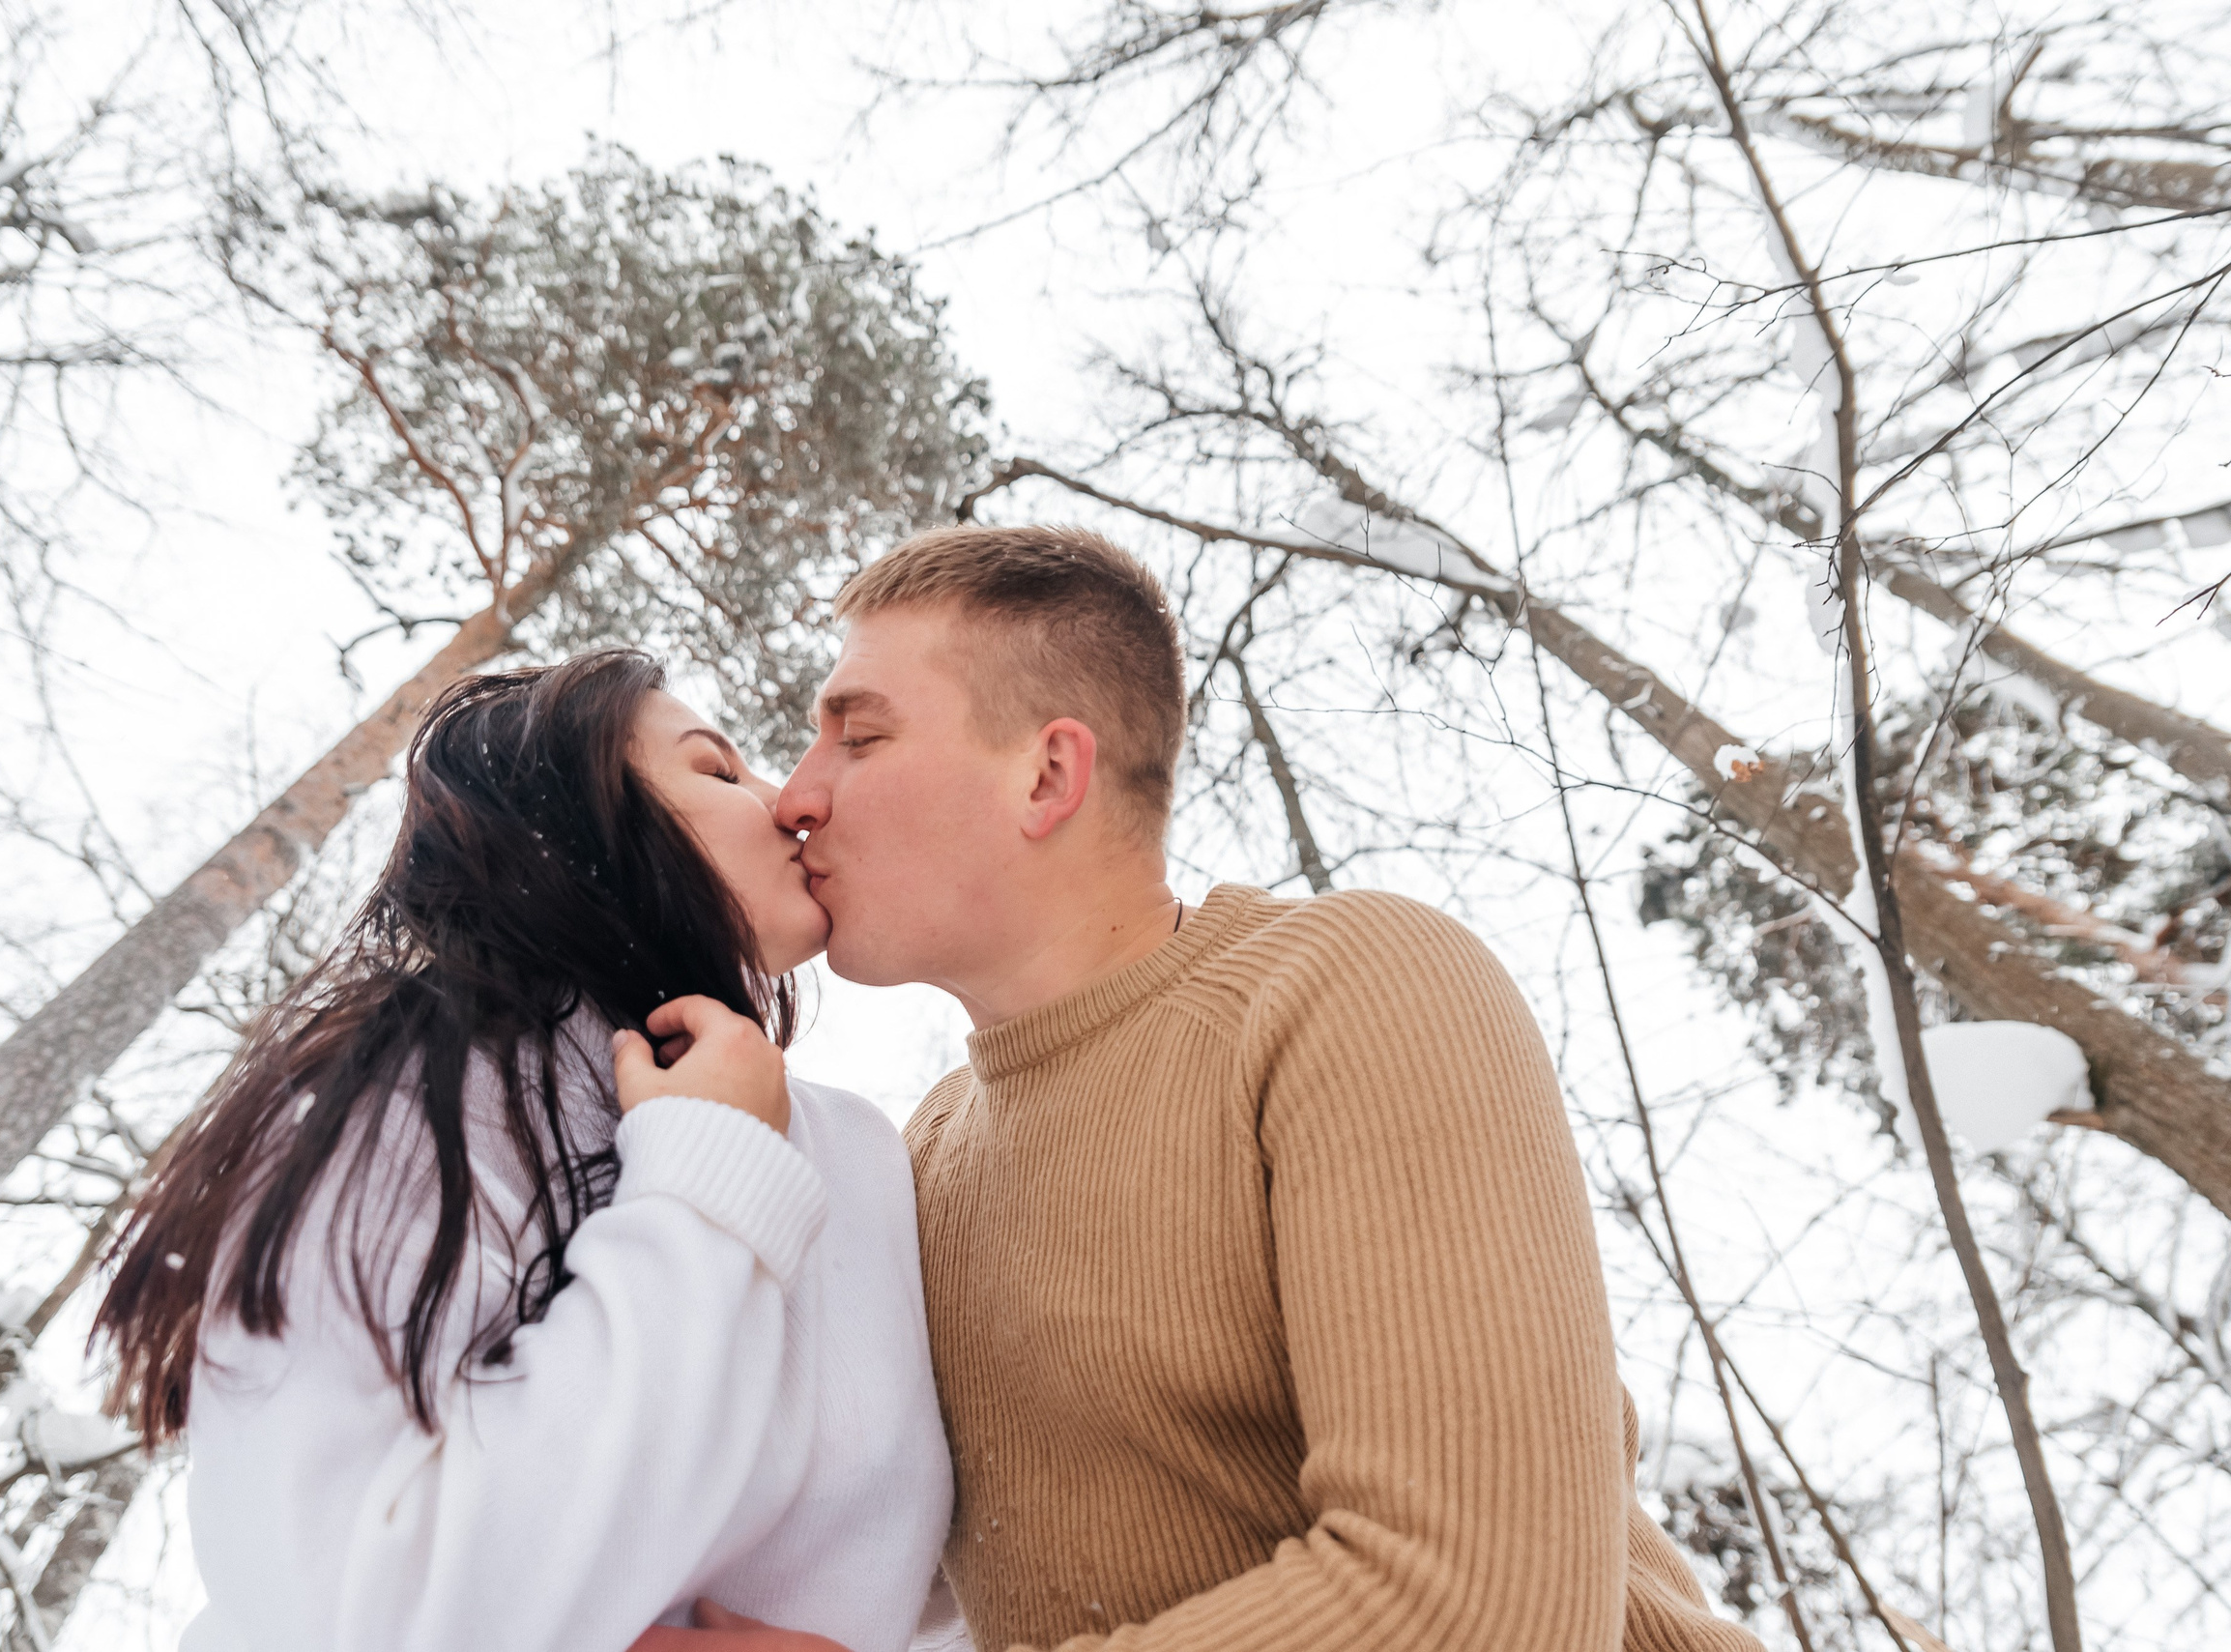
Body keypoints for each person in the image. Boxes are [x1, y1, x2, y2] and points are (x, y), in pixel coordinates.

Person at [678, 525, 1765, 1652]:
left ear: (1046, 774)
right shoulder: (920, 1157)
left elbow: (1475, 1608)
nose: (795, 794)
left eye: (858, 735)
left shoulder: (1349, 986)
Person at [92, 651, 949, 1652]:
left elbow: (921, 1578)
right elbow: (365, 1600)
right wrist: (706, 1185)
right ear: (583, 827)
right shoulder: (429, 1077)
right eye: (719, 770)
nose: (791, 801)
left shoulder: (858, 1145)